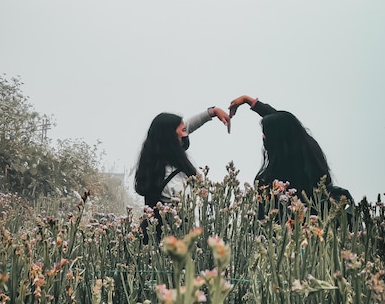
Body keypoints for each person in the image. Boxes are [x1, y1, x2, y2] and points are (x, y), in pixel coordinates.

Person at [229, 95, 352, 207]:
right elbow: (284, 123)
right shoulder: (303, 146)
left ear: (277, 140)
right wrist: (248, 100)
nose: (263, 137)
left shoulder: (282, 175)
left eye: (266, 134)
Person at [135, 106, 230, 241]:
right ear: (172, 138)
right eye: (183, 131)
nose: (186, 134)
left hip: (151, 238)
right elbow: (191, 216)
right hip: (175, 245)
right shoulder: (176, 181)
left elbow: (185, 126)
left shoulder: (154, 164)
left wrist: (211, 112)